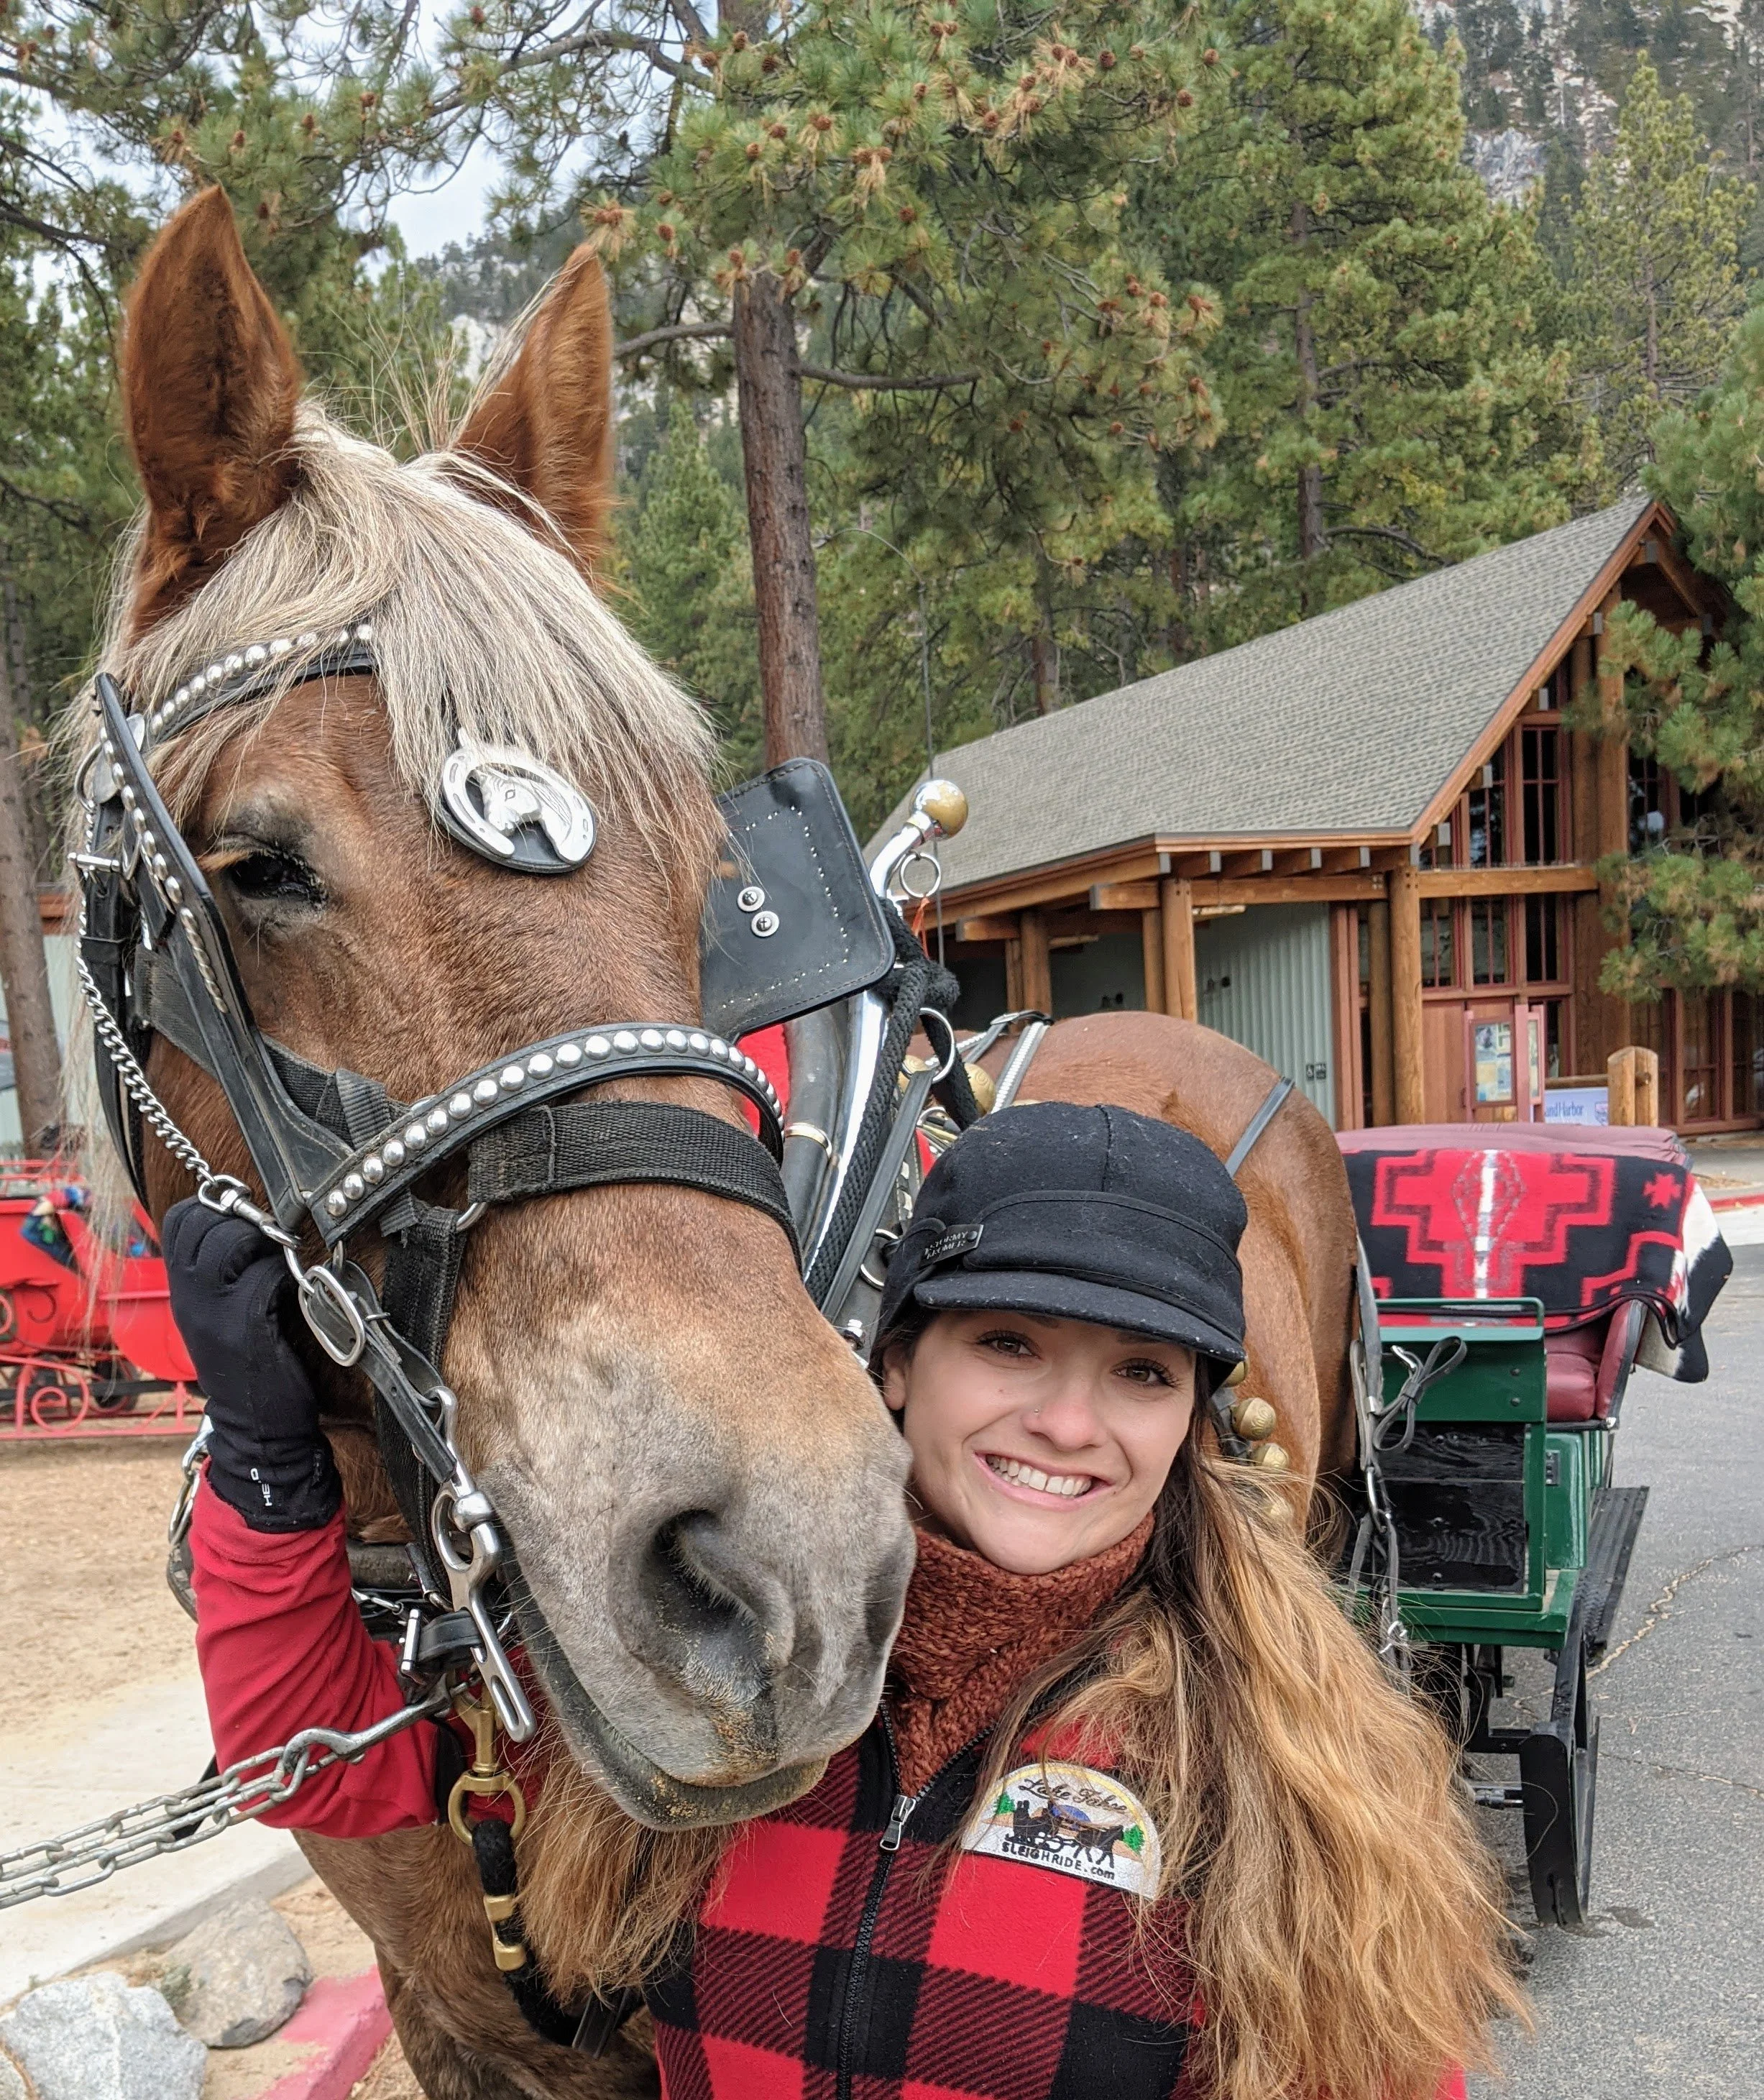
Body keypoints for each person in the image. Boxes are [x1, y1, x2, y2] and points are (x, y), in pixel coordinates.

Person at [168, 1101, 1523, 2100]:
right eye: (1007, 1345)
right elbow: (333, 1775)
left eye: (1141, 1375)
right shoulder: (735, 1664)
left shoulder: (1290, 1769)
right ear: (893, 1367)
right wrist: (268, 1469)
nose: (1066, 1422)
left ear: (1189, 1423)